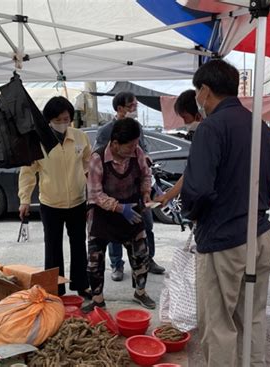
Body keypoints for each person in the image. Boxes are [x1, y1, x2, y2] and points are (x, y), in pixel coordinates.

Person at [181, 59, 270, 366]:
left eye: (198, 92)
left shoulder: (211, 127)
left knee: (219, 324)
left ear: (206, 90)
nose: (198, 99)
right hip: (260, 233)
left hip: (223, 239)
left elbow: (197, 189)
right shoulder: (260, 124)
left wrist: (192, 213)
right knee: (252, 317)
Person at [18, 96, 91, 298]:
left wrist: (90, 185)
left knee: (79, 244)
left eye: (66, 119)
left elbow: (88, 162)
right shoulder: (39, 140)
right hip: (50, 203)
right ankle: (55, 288)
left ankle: (81, 284)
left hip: (77, 201)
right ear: (48, 120)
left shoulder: (80, 137)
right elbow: (27, 172)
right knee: (53, 247)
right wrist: (24, 199)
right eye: (57, 120)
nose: (62, 123)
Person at [83, 118, 156, 312]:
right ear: (115, 144)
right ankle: (98, 298)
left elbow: (146, 174)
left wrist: (146, 192)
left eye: (135, 144)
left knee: (141, 255)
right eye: (129, 145)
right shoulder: (97, 158)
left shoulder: (137, 153)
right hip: (102, 215)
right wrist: (119, 208)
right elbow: (95, 194)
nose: (134, 149)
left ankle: (140, 292)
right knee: (94, 259)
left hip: (132, 210)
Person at [94, 91, 165, 280]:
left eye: (135, 106)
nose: (135, 109)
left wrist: (145, 190)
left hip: (134, 189)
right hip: (112, 192)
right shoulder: (105, 132)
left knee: (145, 226)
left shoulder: (137, 128)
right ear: (120, 109)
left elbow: (143, 154)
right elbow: (98, 160)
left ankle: (147, 260)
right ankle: (117, 264)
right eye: (131, 106)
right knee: (114, 231)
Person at [154, 90, 201, 207]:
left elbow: (191, 172)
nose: (185, 123)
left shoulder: (205, 136)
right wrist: (168, 196)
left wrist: (168, 196)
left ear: (198, 115)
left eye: (185, 117)